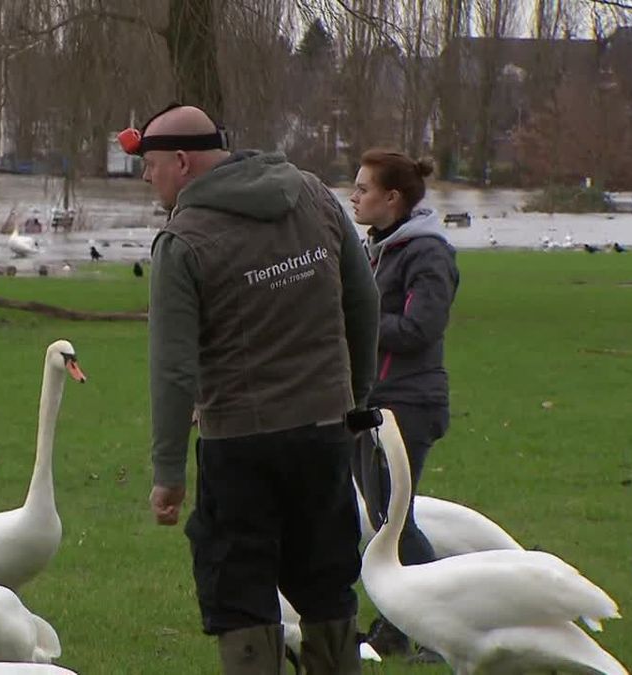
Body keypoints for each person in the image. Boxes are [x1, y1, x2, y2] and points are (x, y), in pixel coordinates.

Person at [133, 103, 380, 674]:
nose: (147, 178)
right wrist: (355, 399)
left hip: (239, 444)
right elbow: (364, 299)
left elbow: (172, 369)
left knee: (239, 591)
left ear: (181, 160)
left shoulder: (182, 240)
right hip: (323, 433)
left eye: (150, 166)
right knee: (326, 584)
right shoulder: (315, 195)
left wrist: (168, 473)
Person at [348, 149, 459, 657]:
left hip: (408, 405)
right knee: (381, 516)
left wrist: (352, 321)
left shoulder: (427, 253)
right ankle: (396, 627)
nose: (353, 196)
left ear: (391, 198)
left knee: (396, 520)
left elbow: (420, 328)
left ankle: (440, 629)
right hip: (372, 404)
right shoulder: (379, 248)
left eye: (363, 189)